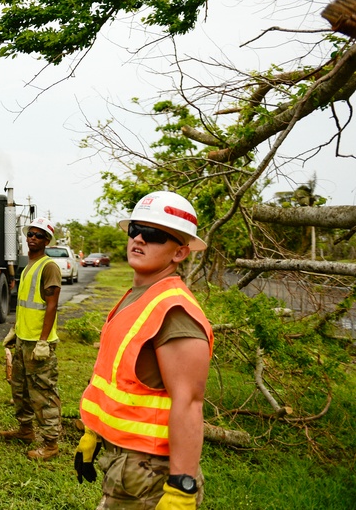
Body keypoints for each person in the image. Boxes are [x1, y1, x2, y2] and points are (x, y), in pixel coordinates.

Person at [74, 191, 213, 509]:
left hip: (152, 475)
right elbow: (115, 380)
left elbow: (189, 404)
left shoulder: (174, 312)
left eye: (153, 234)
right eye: (135, 228)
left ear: (179, 252)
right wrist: (93, 434)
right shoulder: (137, 295)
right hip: (124, 464)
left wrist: (181, 488)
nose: (138, 238)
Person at [0, 216, 63, 460]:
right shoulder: (28, 266)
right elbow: (26, 305)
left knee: (43, 394)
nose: (33, 238)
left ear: (46, 241)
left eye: (39, 235)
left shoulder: (49, 267)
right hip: (24, 340)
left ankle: (51, 444)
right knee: (21, 390)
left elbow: (51, 306)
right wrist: (15, 331)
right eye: (30, 234)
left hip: (39, 343)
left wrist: (43, 341)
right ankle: (25, 430)